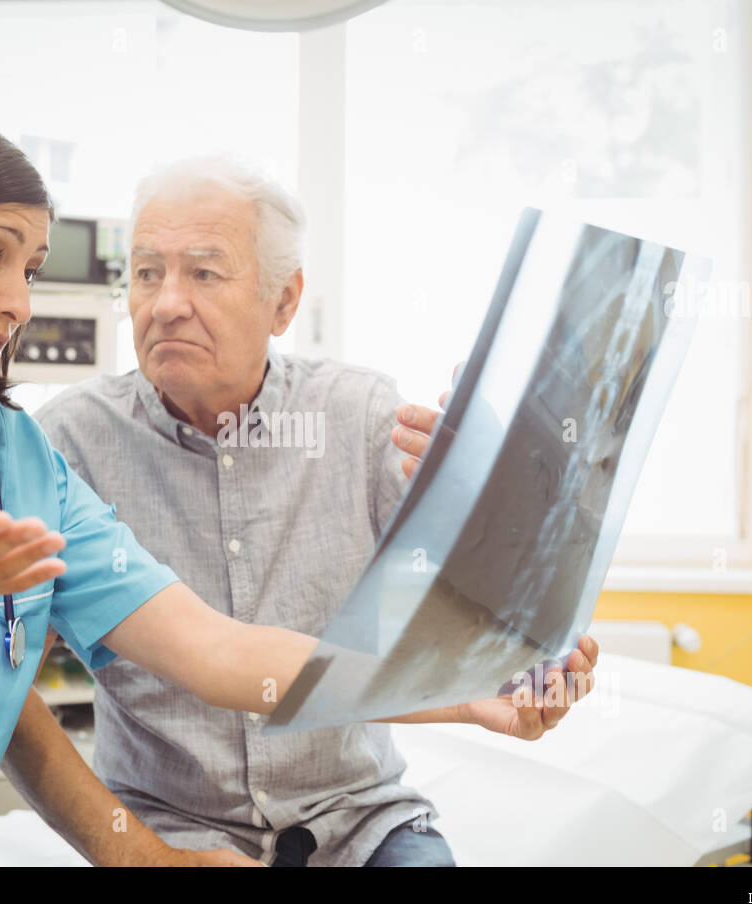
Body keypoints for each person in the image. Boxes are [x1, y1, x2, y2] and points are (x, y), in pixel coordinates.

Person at [0, 107, 595, 867]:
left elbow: (218, 651)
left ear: (283, 299)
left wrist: (468, 684)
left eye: (31, 266)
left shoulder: (14, 458)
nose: (20, 301)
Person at [34, 156, 600, 866]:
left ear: (284, 301)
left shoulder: (362, 417)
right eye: (147, 273)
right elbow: (5, 680)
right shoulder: (67, 444)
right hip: (168, 829)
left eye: (204, 272)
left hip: (360, 820)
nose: (166, 303)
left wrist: (510, 519)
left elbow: (486, 611)